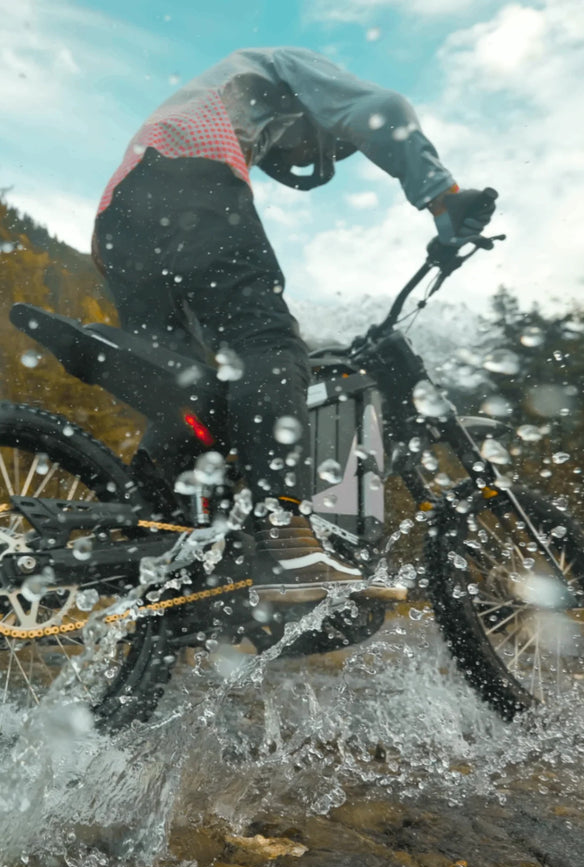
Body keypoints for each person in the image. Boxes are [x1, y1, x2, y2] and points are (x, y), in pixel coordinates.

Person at [92, 47, 494, 589]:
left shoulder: (223, 104)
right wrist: (443, 197)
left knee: (187, 390)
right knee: (267, 342)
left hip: (116, 220)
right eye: (326, 150)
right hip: (188, 174)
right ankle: (283, 533)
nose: (308, 158)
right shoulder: (283, 64)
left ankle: (157, 554)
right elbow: (384, 108)